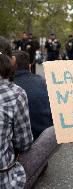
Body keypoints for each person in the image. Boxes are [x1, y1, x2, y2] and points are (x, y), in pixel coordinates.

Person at [0, 36, 57, 189]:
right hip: (6, 181)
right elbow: (24, 145)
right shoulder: (14, 93)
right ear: (10, 60)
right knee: (54, 131)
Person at [13, 50, 53, 140]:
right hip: (49, 138)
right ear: (30, 66)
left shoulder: (9, 89)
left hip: (25, 143)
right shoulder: (44, 82)